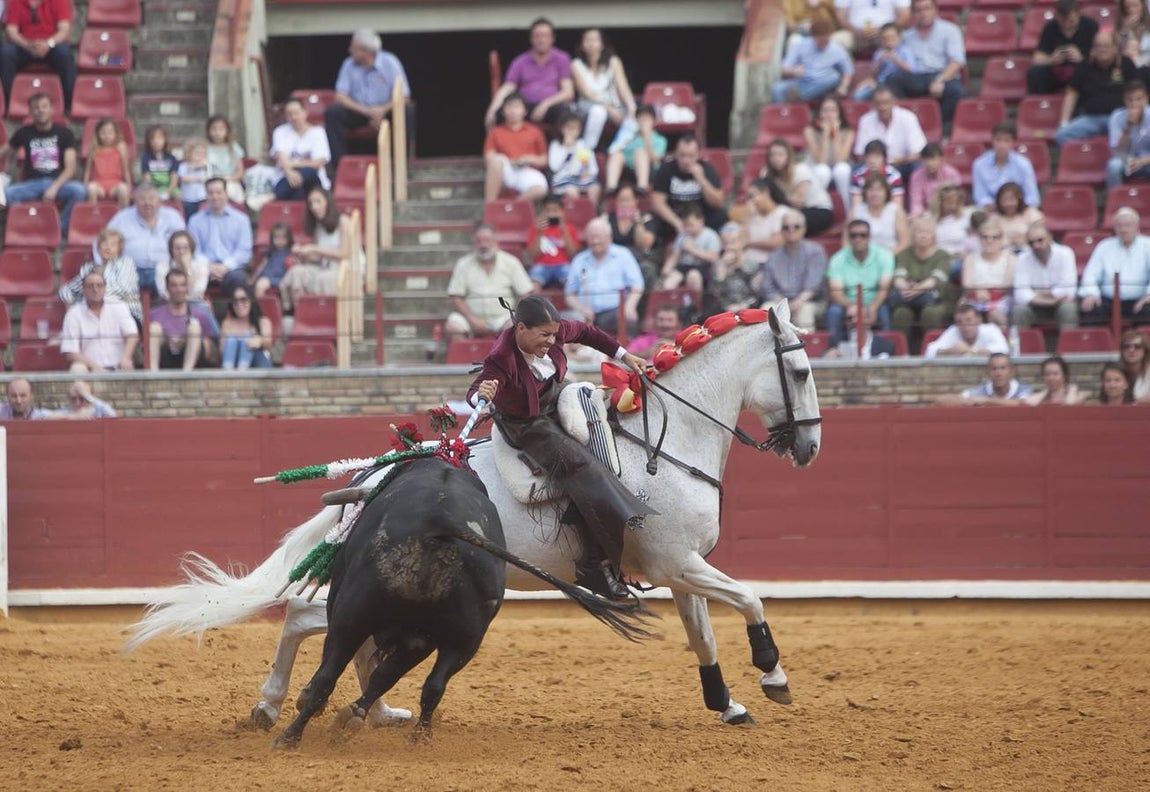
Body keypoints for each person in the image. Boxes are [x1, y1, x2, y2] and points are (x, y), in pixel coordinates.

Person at [469, 294, 655, 599]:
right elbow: (479, 389)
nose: (552, 341)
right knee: (580, 466)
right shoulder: (501, 359)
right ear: (520, 329)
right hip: (527, 424)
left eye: (555, 334)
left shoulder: (552, 331)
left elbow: (588, 333)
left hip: (556, 397)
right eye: (544, 335)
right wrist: (481, 395)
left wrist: (624, 355)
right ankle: (594, 564)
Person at [0, 92, 85, 238]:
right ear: (31, 111)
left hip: (56, 182)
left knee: (80, 191)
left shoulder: (65, 133)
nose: (40, 110)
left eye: (44, 106)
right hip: (31, 184)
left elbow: (71, 168)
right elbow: (4, 151)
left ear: (52, 109)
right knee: (8, 194)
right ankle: (26, 225)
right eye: (36, 108)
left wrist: (54, 187)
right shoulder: (24, 132)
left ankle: (59, 227)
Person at [325, 28, 413, 167]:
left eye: (354, 48)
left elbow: (404, 96)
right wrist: (366, 111)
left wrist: (382, 110)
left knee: (407, 111)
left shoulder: (390, 62)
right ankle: (339, 167)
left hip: (385, 110)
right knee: (333, 113)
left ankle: (400, 165)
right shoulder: (348, 64)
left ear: (367, 51)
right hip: (360, 111)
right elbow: (340, 96)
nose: (349, 50)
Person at [444, 222, 536, 343]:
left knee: (515, 327)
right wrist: (471, 319)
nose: (483, 245)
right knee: (453, 327)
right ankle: (467, 359)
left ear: (495, 242)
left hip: (503, 318)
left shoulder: (511, 262)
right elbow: (456, 296)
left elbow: (526, 293)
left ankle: (506, 361)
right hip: (471, 318)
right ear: (474, 243)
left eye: (487, 240)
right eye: (479, 241)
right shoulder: (463, 264)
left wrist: (516, 314)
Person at [884, 0, 965, 123]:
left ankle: (938, 125)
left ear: (935, 10)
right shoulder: (907, 36)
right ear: (913, 13)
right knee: (892, 79)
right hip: (916, 76)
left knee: (957, 91)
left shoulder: (950, 30)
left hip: (941, 75)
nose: (924, 13)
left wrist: (940, 79)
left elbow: (957, 61)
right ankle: (907, 122)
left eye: (927, 8)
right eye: (919, 10)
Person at [484, 17, 574, 129]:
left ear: (552, 38)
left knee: (567, 115)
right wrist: (492, 109)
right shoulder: (520, 61)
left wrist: (545, 104)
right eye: (537, 36)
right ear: (531, 39)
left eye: (545, 36)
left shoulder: (562, 59)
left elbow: (568, 92)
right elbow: (507, 87)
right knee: (500, 114)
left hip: (552, 106)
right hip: (525, 107)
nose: (541, 40)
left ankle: (562, 146)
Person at [1055, 30, 1138, 146]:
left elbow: (1137, 92)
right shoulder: (1084, 66)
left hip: (1119, 117)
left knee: (1134, 136)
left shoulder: (1126, 64)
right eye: (1098, 46)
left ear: (1115, 48)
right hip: (1091, 118)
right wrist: (1064, 122)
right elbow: (1072, 93)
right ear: (1093, 49)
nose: (1102, 49)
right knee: (1062, 135)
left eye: (1106, 46)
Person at [565, 217, 644, 336]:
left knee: (628, 318)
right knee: (564, 321)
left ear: (609, 237)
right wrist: (580, 309)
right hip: (584, 313)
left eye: (598, 237)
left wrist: (629, 306)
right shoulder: (579, 260)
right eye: (591, 237)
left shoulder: (623, 255)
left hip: (614, 311)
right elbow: (569, 294)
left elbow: (637, 286)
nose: (595, 241)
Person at [279, 187, 352, 313]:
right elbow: (317, 257)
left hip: (345, 269)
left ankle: (318, 314)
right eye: (311, 203)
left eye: (318, 202)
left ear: (327, 202)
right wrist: (303, 252)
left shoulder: (343, 221)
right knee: (297, 272)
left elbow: (345, 253)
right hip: (326, 267)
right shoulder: (319, 227)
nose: (314, 206)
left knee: (322, 279)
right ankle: (300, 314)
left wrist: (315, 249)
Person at [106, 182, 187, 293]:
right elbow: (103, 242)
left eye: (152, 198)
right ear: (134, 201)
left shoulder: (173, 217)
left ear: (159, 201)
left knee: (175, 284)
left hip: (164, 270)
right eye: (142, 199)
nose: (147, 203)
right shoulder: (122, 218)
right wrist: (106, 265)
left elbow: (185, 244)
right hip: (131, 270)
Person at [825, 219, 894, 345]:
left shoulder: (885, 256)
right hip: (848, 303)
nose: (858, 239)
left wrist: (871, 309)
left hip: (875, 302)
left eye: (863, 235)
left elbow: (884, 288)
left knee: (884, 311)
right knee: (834, 312)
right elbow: (836, 293)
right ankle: (832, 349)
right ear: (848, 237)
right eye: (853, 235)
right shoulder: (837, 259)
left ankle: (886, 353)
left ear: (869, 237)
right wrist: (852, 307)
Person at [0, 0, 76, 115]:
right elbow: (11, 30)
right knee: (6, 53)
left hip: (51, 45)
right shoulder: (17, 2)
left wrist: (48, 44)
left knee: (65, 54)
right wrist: (26, 44)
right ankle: (6, 104)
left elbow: (64, 29)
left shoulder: (58, 1)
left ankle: (68, 105)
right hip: (25, 45)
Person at [1078, 206, 1150, 324]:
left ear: (1137, 226)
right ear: (1114, 228)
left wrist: (1148, 296)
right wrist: (1092, 293)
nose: (1123, 229)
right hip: (1109, 300)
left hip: (1141, 299)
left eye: (1128, 225)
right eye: (1119, 225)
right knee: (1091, 308)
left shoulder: (1148, 245)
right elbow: (1091, 274)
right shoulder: (1104, 246)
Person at [650, 133, 727, 241]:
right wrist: (677, 222)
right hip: (674, 215)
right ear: (676, 154)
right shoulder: (666, 169)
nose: (686, 161)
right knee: (652, 220)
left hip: (699, 216)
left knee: (721, 216)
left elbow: (718, 202)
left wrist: (701, 179)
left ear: (698, 155)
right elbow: (657, 203)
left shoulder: (707, 169)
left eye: (690, 156)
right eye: (682, 155)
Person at [571, 28, 637, 150]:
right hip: (587, 107)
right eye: (587, 40)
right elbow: (586, 93)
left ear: (602, 44)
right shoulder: (576, 64)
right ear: (581, 45)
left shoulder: (614, 62)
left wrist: (632, 107)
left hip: (614, 106)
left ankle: (617, 148)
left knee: (636, 117)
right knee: (598, 111)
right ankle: (587, 150)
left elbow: (623, 87)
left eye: (595, 40)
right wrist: (608, 108)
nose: (591, 44)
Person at [760, 209, 828, 328]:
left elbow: (814, 286)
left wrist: (799, 301)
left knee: (804, 312)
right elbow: (767, 287)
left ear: (804, 229)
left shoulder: (815, 251)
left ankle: (807, 346)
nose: (791, 230)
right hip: (781, 301)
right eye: (786, 227)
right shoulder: (773, 257)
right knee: (766, 310)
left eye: (796, 226)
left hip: (810, 301)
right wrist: (784, 304)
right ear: (781, 231)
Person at [889, 214, 951, 345]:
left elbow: (936, 279)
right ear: (913, 235)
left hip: (937, 300)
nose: (923, 236)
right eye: (919, 232)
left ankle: (933, 350)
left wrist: (918, 288)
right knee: (901, 313)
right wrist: (907, 288)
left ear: (933, 236)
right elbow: (898, 278)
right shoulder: (904, 254)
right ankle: (902, 353)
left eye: (927, 232)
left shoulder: (942, 255)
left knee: (930, 313)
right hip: (908, 297)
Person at [60, 270, 138, 373]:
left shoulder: (118, 306)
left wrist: (126, 357)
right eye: (90, 286)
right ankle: (84, 390)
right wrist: (96, 367)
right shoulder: (73, 313)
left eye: (99, 285)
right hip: (90, 368)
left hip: (119, 366)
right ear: (83, 289)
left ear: (105, 288)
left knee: (128, 365)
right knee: (77, 368)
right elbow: (70, 352)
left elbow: (133, 334)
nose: (95, 289)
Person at [58, 228, 141, 323]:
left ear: (119, 248)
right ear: (98, 247)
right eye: (104, 244)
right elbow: (67, 290)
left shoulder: (126, 263)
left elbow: (124, 289)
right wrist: (71, 306)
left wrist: (89, 294)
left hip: (127, 314)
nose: (108, 248)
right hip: (94, 314)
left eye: (113, 245)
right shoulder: (89, 268)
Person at [188, 177, 253, 296]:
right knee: (187, 276)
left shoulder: (241, 220)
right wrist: (207, 267)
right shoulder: (195, 220)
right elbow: (193, 249)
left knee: (238, 278)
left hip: (231, 268)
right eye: (210, 193)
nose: (215, 197)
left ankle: (232, 313)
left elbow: (244, 251)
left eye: (219, 192)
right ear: (206, 195)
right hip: (203, 267)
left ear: (226, 194)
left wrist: (225, 267)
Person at [1012, 221, 1080, 331]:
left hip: (1060, 305)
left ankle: (1069, 347)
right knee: (1019, 310)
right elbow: (1020, 294)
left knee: (1068, 308)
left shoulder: (1065, 253)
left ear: (1049, 237)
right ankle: (1021, 347)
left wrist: (1039, 293)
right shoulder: (1022, 258)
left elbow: (1069, 290)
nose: (1036, 245)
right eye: (1031, 243)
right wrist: (1049, 299)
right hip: (1034, 306)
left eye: (1040, 240)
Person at [148, 269, 219, 371]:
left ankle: (186, 375)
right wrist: (167, 340)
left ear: (187, 288)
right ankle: (153, 376)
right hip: (165, 356)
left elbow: (211, 350)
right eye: (174, 285)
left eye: (182, 285)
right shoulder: (154, 313)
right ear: (167, 288)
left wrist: (187, 339)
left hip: (192, 359)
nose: (179, 289)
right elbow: (144, 346)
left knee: (194, 326)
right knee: (154, 327)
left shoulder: (200, 313)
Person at [482, 92, 548, 203]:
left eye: (517, 106)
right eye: (509, 106)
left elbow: (544, 160)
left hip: (527, 170)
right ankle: (490, 207)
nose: (513, 111)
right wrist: (509, 161)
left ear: (525, 111)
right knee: (496, 161)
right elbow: (489, 157)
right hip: (506, 170)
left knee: (540, 189)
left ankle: (514, 206)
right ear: (503, 111)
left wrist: (528, 159)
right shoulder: (495, 132)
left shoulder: (535, 131)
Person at [761, 138, 834, 236]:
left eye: (780, 154)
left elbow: (798, 202)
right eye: (772, 155)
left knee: (787, 221)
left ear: (788, 156)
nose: (776, 158)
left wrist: (776, 192)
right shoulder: (766, 173)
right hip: (789, 211)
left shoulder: (800, 169)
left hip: (817, 210)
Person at [853, 88, 926, 184]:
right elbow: (860, 154)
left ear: (893, 102)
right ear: (873, 104)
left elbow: (919, 152)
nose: (883, 107)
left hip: (902, 165)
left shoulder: (908, 118)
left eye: (886, 102)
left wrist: (902, 160)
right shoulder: (865, 120)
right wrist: (876, 162)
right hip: (874, 167)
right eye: (878, 103)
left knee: (918, 167)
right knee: (855, 170)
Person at [771, 18, 854, 103]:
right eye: (820, 40)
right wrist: (793, 71)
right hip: (803, 81)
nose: (823, 43)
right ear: (813, 37)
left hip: (824, 82)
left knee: (834, 77)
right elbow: (784, 68)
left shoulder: (837, 49)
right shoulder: (801, 45)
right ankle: (783, 113)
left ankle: (800, 96)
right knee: (777, 89)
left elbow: (848, 70)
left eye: (826, 40)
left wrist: (844, 86)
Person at [1027, 0, 1099, 96]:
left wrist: (1082, 58)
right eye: (1063, 21)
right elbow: (1037, 58)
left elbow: (1100, 55)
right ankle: (1041, 104)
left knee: (1091, 73)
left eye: (1071, 21)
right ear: (1057, 16)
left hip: (1082, 70)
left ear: (1078, 14)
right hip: (1057, 71)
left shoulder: (1090, 26)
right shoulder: (1050, 27)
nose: (1067, 25)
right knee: (1034, 73)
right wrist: (1052, 59)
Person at [270, 97, 332, 201]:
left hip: (313, 179)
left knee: (308, 171)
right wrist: (289, 173)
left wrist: (292, 164)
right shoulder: (279, 132)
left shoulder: (318, 132)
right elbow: (281, 159)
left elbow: (318, 163)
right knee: (298, 191)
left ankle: (273, 196)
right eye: (289, 114)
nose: (293, 117)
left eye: (296, 113)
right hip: (286, 178)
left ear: (305, 112)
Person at [971, 124, 1041, 212]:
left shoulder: (1024, 164)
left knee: (1035, 216)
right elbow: (980, 196)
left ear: (1013, 142)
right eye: (998, 140)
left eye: (1007, 140)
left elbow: (1032, 197)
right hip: (991, 210)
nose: (1002, 145)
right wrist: (993, 206)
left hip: (1018, 209)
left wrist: (1016, 207)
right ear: (992, 141)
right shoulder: (979, 164)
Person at [961, 216, 1015, 331]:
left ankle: (1002, 347)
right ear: (979, 239)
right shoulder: (970, 258)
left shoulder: (1010, 258)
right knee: (966, 313)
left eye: (994, 237)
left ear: (1001, 240)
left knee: (995, 315)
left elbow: (1006, 286)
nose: (989, 241)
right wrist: (978, 290)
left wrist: (986, 291)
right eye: (985, 237)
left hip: (1000, 300)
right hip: (974, 298)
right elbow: (967, 284)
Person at [604, 103, 665, 194]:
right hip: (628, 170)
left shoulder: (660, 140)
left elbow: (655, 159)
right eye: (641, 118)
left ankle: (642, 187)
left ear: (654, 121)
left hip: (650, 171)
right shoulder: (629, 136)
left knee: (639, 152)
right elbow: (614, 151)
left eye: (647, 119)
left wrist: (647, 138)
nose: (643, 122)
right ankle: (611, 188)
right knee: (617, 155)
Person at [661, 204, 722, 295]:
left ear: (701, 221)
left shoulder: (710, 236)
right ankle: (672, 306)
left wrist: (692, 250)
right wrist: (666, 269)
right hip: (683, 266)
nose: (688, 229)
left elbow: (713, 257)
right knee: (668, 283)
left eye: (691, 225)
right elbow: (675, 256)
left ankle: (696, 305)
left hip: (702, 268)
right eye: (685, 225)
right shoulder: (682, 236)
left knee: (693, 276)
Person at [804, 94, 855, 201]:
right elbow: (820, 161)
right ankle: (818, 205)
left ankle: (847, 208)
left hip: (839, 171)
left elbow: (841, 159)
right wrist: (825, 135)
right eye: (825, 110)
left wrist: (835, 132)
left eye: (833, 110)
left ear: (839, 113)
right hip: (817, 170)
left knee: (842, 169)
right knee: (823, 171)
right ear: (819, 113)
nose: (829, 115)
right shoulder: (810, 131)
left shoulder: (848, 131)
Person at [526, 194, 579, 290]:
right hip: (541, 265)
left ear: (562, 212)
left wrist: (564, 233)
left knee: (571, 284)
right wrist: (539, 234)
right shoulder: (536, 229)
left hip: (563, 265)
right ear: (542, 212)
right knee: (533, 286)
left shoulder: (569, 229)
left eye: (556, 211)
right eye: (548, 211)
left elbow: (572, 255)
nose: (552, 214)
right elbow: (533, 256)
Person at [937, 353, 1032, 405]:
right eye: (994, 369)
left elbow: (1021, 405)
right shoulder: (980, 392)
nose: (998, 373)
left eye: (1003, 368)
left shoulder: (1023, 390)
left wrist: (987, 400)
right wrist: (967, 401)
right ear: (988, 373)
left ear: (1011, 371)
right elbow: (940, 401)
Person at [548, 111, 600, 205]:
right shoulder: (556, 145)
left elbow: (591, 165)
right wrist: (566, 148)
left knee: (595, 188)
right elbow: (554, 166)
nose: (573, 131)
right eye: (569, 128)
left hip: (581, 178)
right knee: (571, 191)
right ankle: (578, 215)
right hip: (562, 178)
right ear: (562, 128)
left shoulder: (583, 145)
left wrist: (589, 173)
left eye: (576, 128)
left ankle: (592, 214)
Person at [852, 23, 914, 102]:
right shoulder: (879, 52)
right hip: (880, 85)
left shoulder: (905, 51)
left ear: (899, 38)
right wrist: (879, 62)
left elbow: (911, 70)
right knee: (858, 96)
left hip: (898, 85)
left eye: (892, 38)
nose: (889, 41)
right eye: (885, 38)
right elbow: (873, 75)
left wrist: (895, 59)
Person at [849, 172, 908, 254]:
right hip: (862, 259)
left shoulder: (895, 210)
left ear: (886, 192)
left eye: (879, 190)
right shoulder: (856, 211)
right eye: (871, 190)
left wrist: (885, 258)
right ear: (865, 192)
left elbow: (904, 243)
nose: (875, 194)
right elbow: (846, 242)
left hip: (891, 257)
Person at [924, 302, 1009, 358]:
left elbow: (1003, 350)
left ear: (979, 320)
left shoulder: (990, 329)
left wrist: (971, 351)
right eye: (959, 322)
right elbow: (929, 352)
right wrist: (949, 351)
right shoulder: (953, 330)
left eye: (969, 320)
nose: (964, 326)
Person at [1107, 80, 1150, 190]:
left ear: (1146, 99)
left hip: (1147, 160)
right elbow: (1117, 151)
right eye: (1130, 100)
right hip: (1127, 161)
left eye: (1139, 99)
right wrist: (1128, 128)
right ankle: (1115, 204)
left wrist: (1142, 161)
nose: (1134, 103)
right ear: (1124, 100)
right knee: (1113, 166)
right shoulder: (1117, 117)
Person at [219, 284, 273, 369]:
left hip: (257, 363)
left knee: (247, 339)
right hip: (233, 362)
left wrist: (259, 341)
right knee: (232, 340)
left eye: (243, 300)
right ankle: (228, 373)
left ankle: (241, 372)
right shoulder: (227, 323)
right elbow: (222, 350)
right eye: (235, 301)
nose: (239, 304)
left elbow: (268, 343)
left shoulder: (262, 321)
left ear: (251, 300)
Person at [742, 178, 792, 269]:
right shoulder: (752, 214)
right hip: (747, 263)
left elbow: (776, 243)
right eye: (748, 197)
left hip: (770, 264)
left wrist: (749, 244)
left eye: (752, 196)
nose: (750, 201)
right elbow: (741, 241)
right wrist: (746, 219)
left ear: (765, 193)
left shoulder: (783, 213)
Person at [83, 118, 131, 208]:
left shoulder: (121, 147)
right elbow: (88, 170)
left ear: (115, 134)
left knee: (123, 189)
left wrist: (129, 185)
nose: (107, 136)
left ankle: (122, 217)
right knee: (91, 188)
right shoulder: (94, 148)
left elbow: (126, 169)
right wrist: (85, 185)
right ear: (98, 134)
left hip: (115, 184)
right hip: (99, 184)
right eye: (103, 133)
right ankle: (93, 216)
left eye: (110, 133)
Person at [833, 0, 910, 53]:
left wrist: (883, 31)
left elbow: (904, 16)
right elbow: (840, 17)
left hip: (886, 33)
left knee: (909, 39)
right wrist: (856, 32)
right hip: (855, 34)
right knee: (835, 41)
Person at [155, 230, 210, 303]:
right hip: (168, 303)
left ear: (191, 249)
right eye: (177, 248)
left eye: (185, 248)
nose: (181, 252)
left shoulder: (201, 266)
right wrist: (179, 301)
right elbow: (163, 292)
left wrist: (187, 268)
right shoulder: (162, 266)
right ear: (171, 250)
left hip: (195, 303)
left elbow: (195, 292)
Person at [907, 143, 960, 218]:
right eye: (926, 159)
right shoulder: (916, 176)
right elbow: (916, 203)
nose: (930, 163)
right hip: (926, 214)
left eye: (933, 159)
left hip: (949, 213)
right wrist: (918, 216)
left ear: (941, 159)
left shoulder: (951, 174)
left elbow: (956, 201)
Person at [849, 139, 905, 209]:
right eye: (869, 157)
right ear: (865, 158)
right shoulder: (857, 176)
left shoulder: (894, 176)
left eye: (877, 157)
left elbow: (897, 205)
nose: (872, 161)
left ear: (884, 159)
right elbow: (856, 205)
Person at [991, 183, 1044, 253]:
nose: (1008, 204)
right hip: (1002, 254)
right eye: (1004, 200)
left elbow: (1041, 235)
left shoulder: (1031, 213)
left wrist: (1025, 239)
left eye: (1011, 199)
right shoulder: (994, 218)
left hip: (1030, 252)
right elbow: (989, 239)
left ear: (1019, 199)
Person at [250, 222, 297, 300]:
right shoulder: (270, 251)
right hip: (267, 277)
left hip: (281, 279)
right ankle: (259, 308)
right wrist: (253, 278)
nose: (280, 241)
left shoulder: (290, 252)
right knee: (259, 285)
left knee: (262, 285)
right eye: (277, 238)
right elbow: (262, 266)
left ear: (289, 239)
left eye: (283, 238)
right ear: (272, 239)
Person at [206, 115, 246, 203]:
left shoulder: (233, 148)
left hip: (230, 180)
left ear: (227, 130)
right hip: (211, 182)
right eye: (214, 129)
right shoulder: (205, 148)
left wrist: (226, 179)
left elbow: (240, 172)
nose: (217, 133)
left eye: (221, 129)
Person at [931, 183, 974, 264]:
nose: (953, 203)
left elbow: (973, 242)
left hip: (961, 258)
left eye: (956, 200)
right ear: (940, 201)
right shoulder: (930, 219)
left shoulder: (966, 215)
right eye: (949, 200)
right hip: (937, 259)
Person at [140, 125, 179, 201]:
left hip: (170, 188)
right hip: (153, 188)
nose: (156, 141)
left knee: (180, 196)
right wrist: (155, 193)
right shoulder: (146, 158)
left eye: (159, 138)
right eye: (152, 138)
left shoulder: (171, 158)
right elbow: (147, 179)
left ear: (165, 140)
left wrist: (168, 192)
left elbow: (174, 178)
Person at [177, 138, 211, 219]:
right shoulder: (184, 166)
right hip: (188, 198)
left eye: (202, 153)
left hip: (203, 197)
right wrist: (196, 174)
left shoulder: (206, 166)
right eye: (197, 153)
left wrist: (203, 168)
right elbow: (184, 178)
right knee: (190, 217)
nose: (200, 156)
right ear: (189, 153)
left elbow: (208, 178)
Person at [1118, 0, 1150, 70]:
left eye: (1136, 6)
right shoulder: (1121, 28)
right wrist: (1125, 29)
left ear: (1143, 6)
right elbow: (1117, 49)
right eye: (1127, 7)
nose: (1132, 10)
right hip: (1130, 70)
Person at [1118, 328, 1150, 400]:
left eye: (1137, 346)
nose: (1131, 350)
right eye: (1126, 347)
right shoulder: (1116, 371)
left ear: (1145, 351)